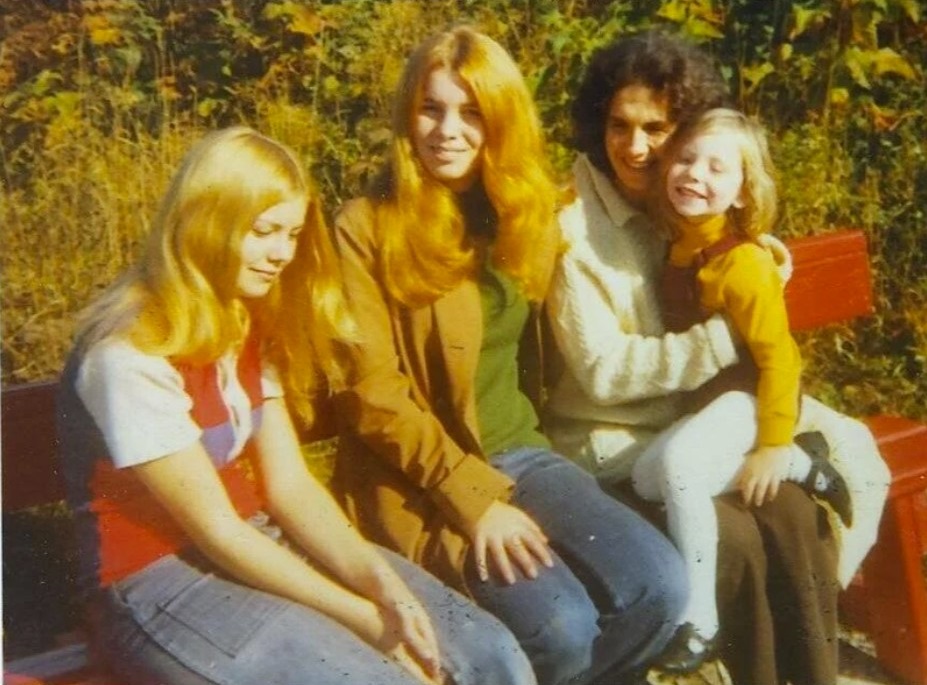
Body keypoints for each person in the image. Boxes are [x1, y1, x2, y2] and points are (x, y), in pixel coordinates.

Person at [56, 126, 536, 685]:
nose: (282, 254)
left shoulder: (243, 317)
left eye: (291, 233)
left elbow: (290, 486)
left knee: (487, 653)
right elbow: (217, 531)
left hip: (253, 538)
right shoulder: (126, 355)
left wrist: (377, 579)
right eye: (263, 232)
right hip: (154, 582)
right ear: (208, 221)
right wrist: (360, 615)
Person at [330, 26, 686, 685]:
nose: (447, 130)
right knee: (559, 626)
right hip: (428, 477)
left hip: (526, 455)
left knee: (659, 584)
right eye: (431, 108)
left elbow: (659, 203)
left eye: (471, 112)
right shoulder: (365, 227)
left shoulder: (524, 208)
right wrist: (474, 502)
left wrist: (751, 247)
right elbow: (370, 392)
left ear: (500, 121)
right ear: (409, 112)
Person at [545, 32, 888, 685]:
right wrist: (727, 336)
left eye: (657, 127)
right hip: (612, 437)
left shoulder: (670, 196)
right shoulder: (574, 228)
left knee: (793, 509)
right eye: (619, 125)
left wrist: (762, 255)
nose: (636, 146)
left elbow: (731, 241)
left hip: (695, 420)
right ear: (597, 123)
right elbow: (604, 371)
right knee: (735, 537)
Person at [629, 107, 853, 671]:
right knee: (645, 478)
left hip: (753, 398)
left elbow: (781, 359)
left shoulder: (745, 265)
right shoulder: (676, 243)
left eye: (717, 169)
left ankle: (699, 620)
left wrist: (773, 444)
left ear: (741, 191)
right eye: (685, 159)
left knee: (680, 468)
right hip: (718, 406)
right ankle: (809, 466)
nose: (695, 174)